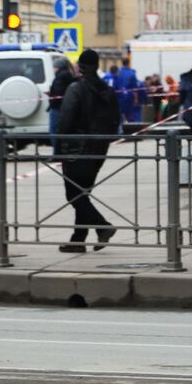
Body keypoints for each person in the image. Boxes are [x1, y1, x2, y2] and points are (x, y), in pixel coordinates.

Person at [54, 49, 119, 253]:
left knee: (74, 194)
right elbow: (116, 121)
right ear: (97, 66)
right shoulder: (107, 91)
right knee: (83, 193)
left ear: (80, 67)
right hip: (99, 149)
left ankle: (103, 227)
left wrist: (58, 148)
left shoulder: (76, 89)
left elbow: (65, 121)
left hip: (76, 149)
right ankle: (78, 239)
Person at [47, 56, 74, 144]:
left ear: (58, 67)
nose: (53, 69)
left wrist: (51, 95)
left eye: (54, 67)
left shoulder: (60, 77)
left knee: (54, 130)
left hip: (57, 107)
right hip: (64, 107)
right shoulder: (67, 75)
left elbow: (59, 93)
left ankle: (56, 154)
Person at [113, 57, 143, 125]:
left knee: (119, 117)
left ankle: (119, 132)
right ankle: (129, 132)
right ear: (128, 63)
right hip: (129, 98)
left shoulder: (118, 73)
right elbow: (135, 88)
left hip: (119, 98)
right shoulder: (132, 73)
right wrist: (136, 99)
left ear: (122, 63)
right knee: (130, 118)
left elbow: (114, 87)